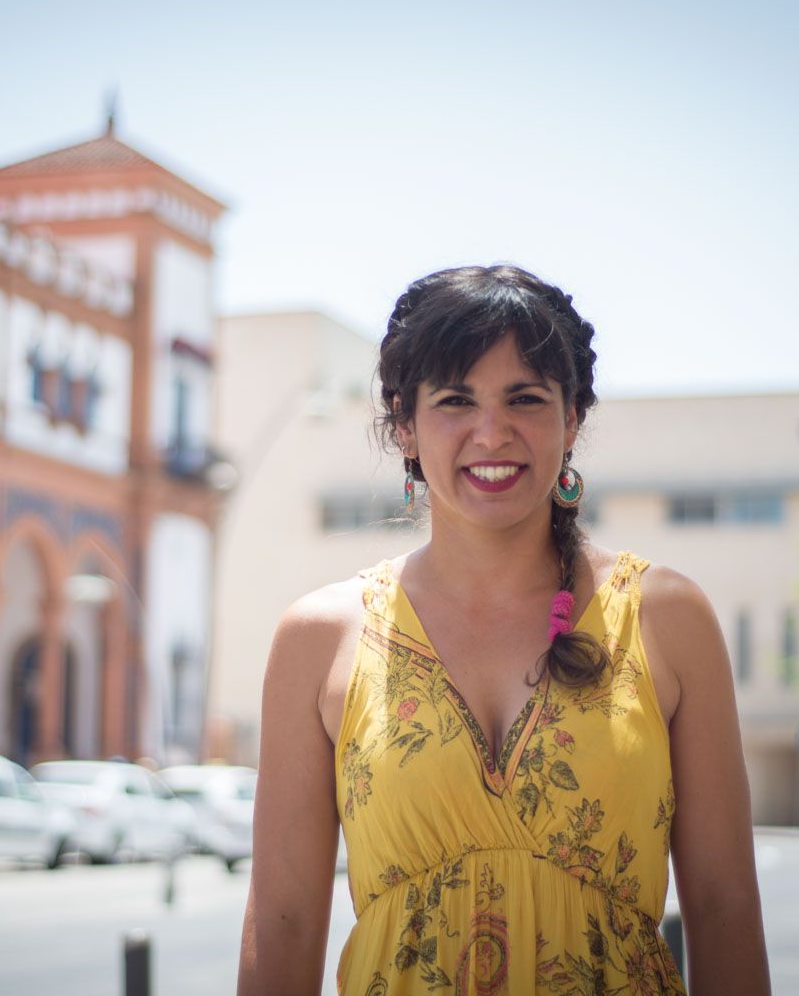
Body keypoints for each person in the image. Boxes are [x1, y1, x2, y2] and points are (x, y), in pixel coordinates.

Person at [238, 266, 770, 995]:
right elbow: (284, 923)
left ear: (572, 418)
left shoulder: (665, 618)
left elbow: (722, 907)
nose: (492, 432)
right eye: (456, 401)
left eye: (525, 399)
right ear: (404, 424)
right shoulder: (320, 637)